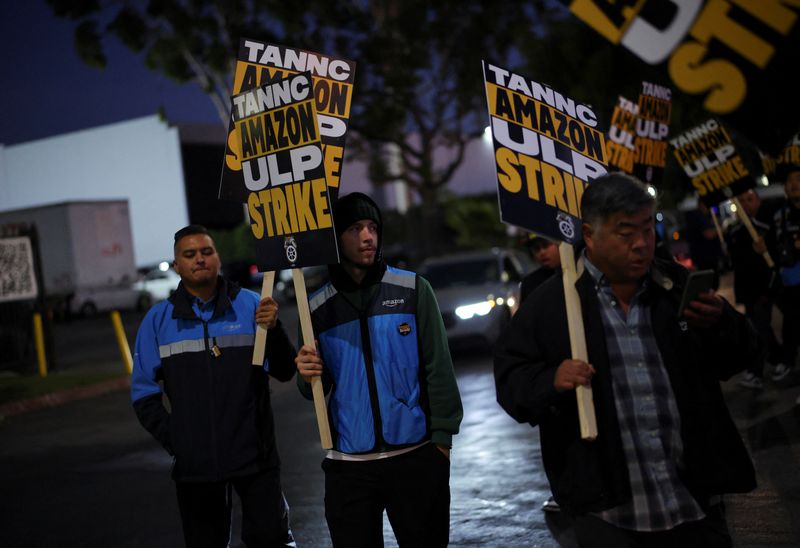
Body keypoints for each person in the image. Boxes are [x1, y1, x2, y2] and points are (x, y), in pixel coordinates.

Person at [494, 173, 758, 547]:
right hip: (608, 516)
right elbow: (511, 382)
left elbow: (745, 356)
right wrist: (552, 380)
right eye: (625, 232)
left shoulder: (675, 288)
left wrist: (721, 323)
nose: (641, 245)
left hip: (693, 505)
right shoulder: (551, 305)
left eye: (647, 230)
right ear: (589, 235)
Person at [295, 192, 463, 547]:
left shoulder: (413, 289)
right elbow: (313, 385)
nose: (368, 237)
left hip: (415, 459)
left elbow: (439, 368)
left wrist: (442, 443)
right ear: (336, 238)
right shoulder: (314, 309)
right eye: (356, 229)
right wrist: (305, 371)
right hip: (349, 467)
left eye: (373, 227)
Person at [131, 224, 297, 547]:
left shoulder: (253, 306)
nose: (200, 259)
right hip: (196, 468)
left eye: (207, 252)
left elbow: (285, 371)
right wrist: (178, 440)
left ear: (218, 258)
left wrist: (274, 330)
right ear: (177, 265)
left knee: (271, 539)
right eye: (189, 254)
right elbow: (143, 395)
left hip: (255, 459)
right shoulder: (158, 321)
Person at [519, 233, 562, 514]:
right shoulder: (532, 284)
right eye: (536, 249)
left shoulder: (588, 271)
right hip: (552, 380)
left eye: (546, 245)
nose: (541, 253)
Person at [728, 189, 781, 389]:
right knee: (757, 328)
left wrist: (766, 250)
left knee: (761, 329)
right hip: (748, 289)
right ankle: (772, 363)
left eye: (749, 199)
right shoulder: (734, 231)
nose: (745, 204)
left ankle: (774, 362)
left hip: (765, 286)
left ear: (758, 200)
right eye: (741, 200)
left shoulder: (768, 227)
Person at [769, 165, 800, 382]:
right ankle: (788, 362)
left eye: (798, 179)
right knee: (791, 326)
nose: (793, 184)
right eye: (789, 181)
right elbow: (773, 245)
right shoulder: (779, 215)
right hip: (789, 283)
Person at [520, 234, 562, 303]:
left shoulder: (575, 273)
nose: (542, 252)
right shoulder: (529, 283)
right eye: (536, 248)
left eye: (546, 245)